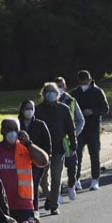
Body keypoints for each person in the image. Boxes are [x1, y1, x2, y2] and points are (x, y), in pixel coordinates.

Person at [0, 119, 48, 223]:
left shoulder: (25, 148)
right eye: (9, 129)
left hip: (23, 205)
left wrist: (28, 143)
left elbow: (44, 161)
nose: (12, 132)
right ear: (2, 131)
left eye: (15, 129)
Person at [34, 83, 76, 213]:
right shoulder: (38, 110)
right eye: (48, 92)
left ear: (58, 94)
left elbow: (70, 128)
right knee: (42, 180)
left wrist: (73, 144)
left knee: (56, 178)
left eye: (53, 91)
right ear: (43, 94)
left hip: (58, 149)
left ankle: (54, 205)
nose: (50, 94)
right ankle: (49, 197)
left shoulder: (64, 109)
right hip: (42, 150)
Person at [70, 70, 109, 191]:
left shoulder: (97, 92)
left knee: (94, 154)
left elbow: (105, 108)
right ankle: (76, 179)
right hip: (79, 129)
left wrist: (93, 111)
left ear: (90, 79)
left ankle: (95, 179)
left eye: (86, 81)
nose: (84, 84)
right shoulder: (75, 93)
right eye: (82, 82)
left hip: (93, 128)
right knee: (77, 155)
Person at [18, 101, 52, 214]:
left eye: (31, 108)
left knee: (35, 183)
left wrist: (46, 157)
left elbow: (47, 144)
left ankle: (35, 209)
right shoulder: (17, 125)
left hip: (37, 161)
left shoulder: (40, 124)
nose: (29, 111)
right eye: (27, 108)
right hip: (20, 160)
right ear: (22, 110)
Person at [55, 77, 85, 201]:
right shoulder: (50, 102)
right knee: (57, 168)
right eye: (57, 86)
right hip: (56, 140)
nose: (59, 88)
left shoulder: (71, 101)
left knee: (72, 165)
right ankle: (59, 193)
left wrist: (74, 134)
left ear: (65, 87)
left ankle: (71, 185)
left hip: (68, 140)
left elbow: (80, 120)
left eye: (61, 86)